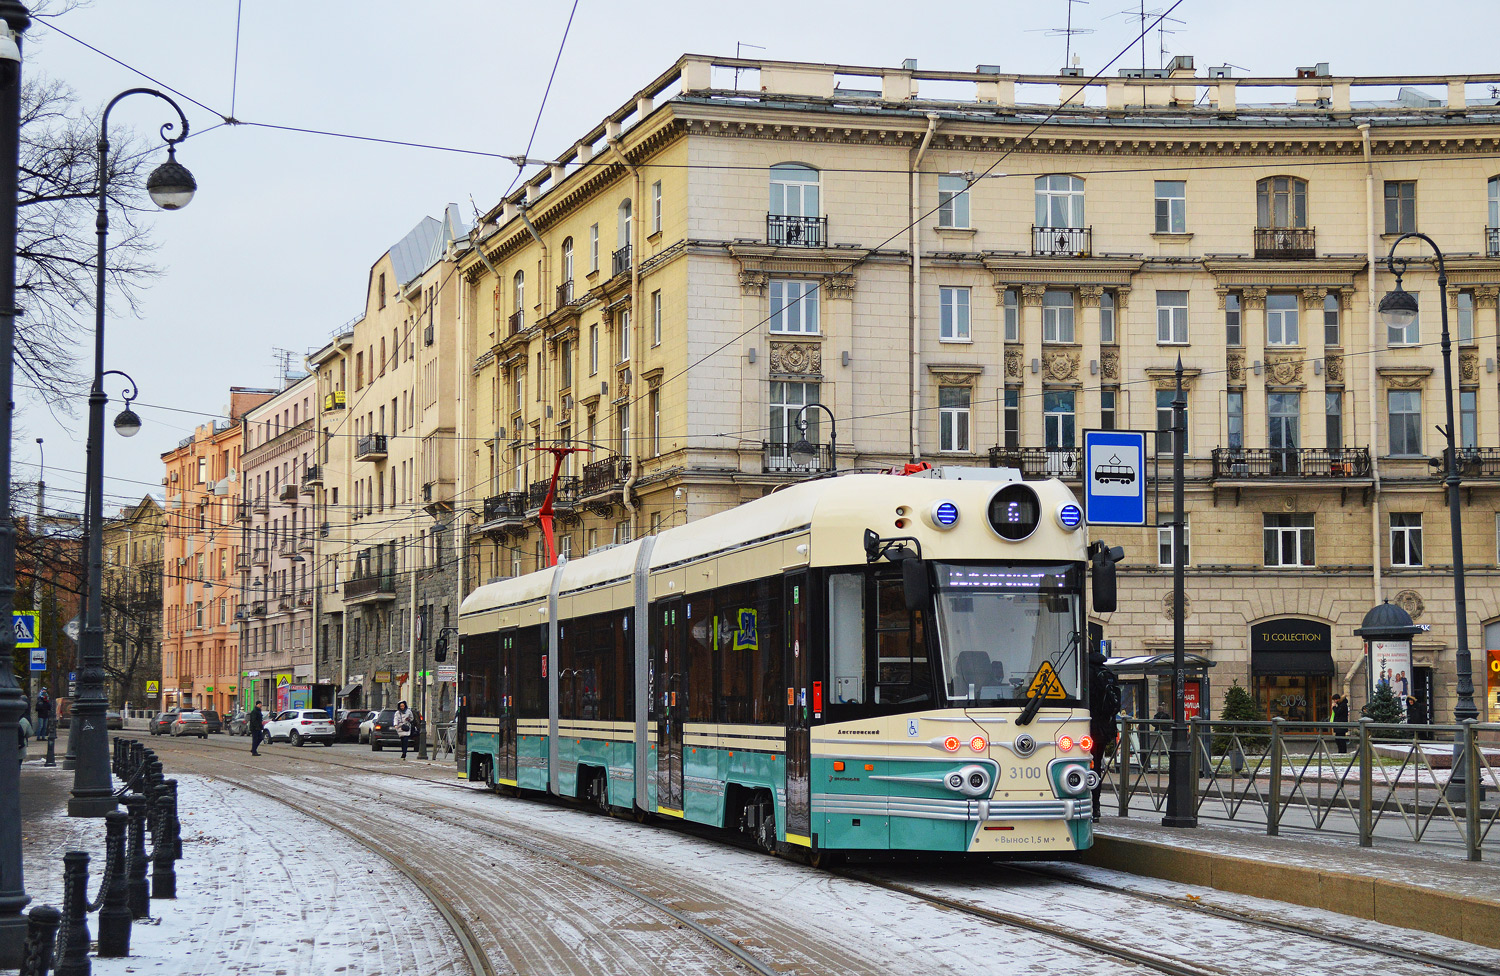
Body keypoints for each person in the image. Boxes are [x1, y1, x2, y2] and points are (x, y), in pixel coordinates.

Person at [1087, 649, 1120, 822]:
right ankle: (1096, 808)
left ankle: (1085, 805)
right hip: (1104, 729)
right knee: (1096, 767)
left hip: (1086, 728)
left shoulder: (1084, 672)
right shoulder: (1107, 672)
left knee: (1081, 767)